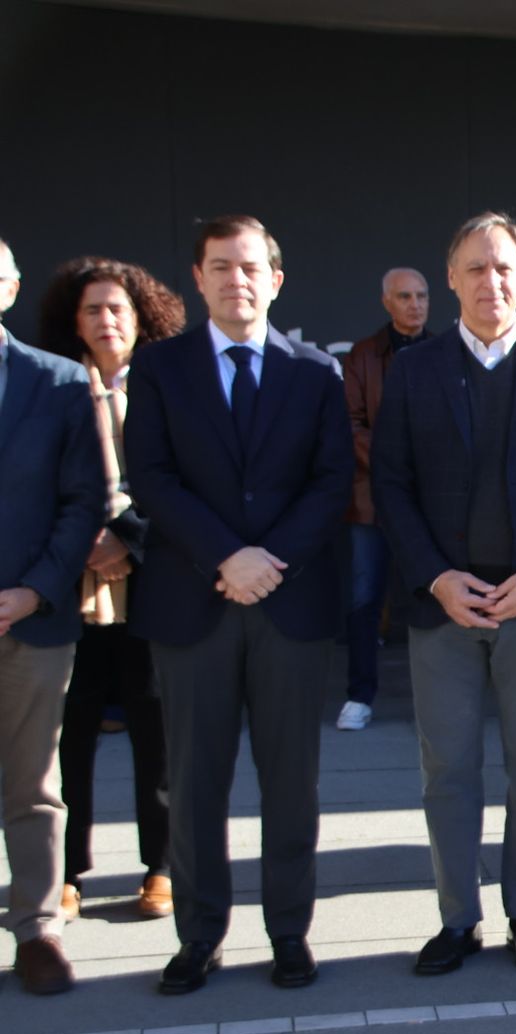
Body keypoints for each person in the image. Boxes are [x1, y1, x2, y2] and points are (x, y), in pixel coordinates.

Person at [371, 211, 516, 977]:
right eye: (475, 267)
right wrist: (436, 576)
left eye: (503, 266)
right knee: (449, 767)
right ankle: (458, 916)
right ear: (451, 278)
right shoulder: (416, 370)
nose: (490, 280)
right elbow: (392, 483)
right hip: (444, 606)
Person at [125, 215, 353, 994]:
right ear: (198, 277)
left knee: (292, 784)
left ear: (276, 278)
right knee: (194, 782)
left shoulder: (318, 372)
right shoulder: (159, 370)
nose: (236, 279)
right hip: (195, 601)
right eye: (220, 266)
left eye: (250, 265)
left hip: (289, 604)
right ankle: (199, 935)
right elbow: (151, 477)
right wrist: (227, 556)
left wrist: (268, 559)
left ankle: (289, 931)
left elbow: (330, 483)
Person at [36, 258, 185, 922]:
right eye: (93, 310)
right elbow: (38, 485)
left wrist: (126, 537)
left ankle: (160, 866)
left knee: (156, 730)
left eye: (117, 309)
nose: (105, 321)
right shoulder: (55, 389)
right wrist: (87, 540)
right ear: (75, 321)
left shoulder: (168, 387)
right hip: (71, 584)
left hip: (152, 585)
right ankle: (67, 870)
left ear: (141, 317)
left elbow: (183, 480)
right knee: (70, 734)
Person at [0, 243, 105, 995]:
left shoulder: (59, 382)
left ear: (7, 288)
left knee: (33, 781)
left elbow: (84, 502)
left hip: (31, 616)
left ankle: (36, 926)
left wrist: (32, 590)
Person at [339, 267, 432, 731]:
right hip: (370, 498)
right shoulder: (362, 355)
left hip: (431, 503)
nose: (415, 304)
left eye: (421, 296)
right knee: (363, 598)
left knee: (432, 596)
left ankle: (435, 700)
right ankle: (359, 696)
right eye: (404, 296)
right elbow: (350, 424)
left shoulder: (445, 351)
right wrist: (397, 467)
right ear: (386, 303)